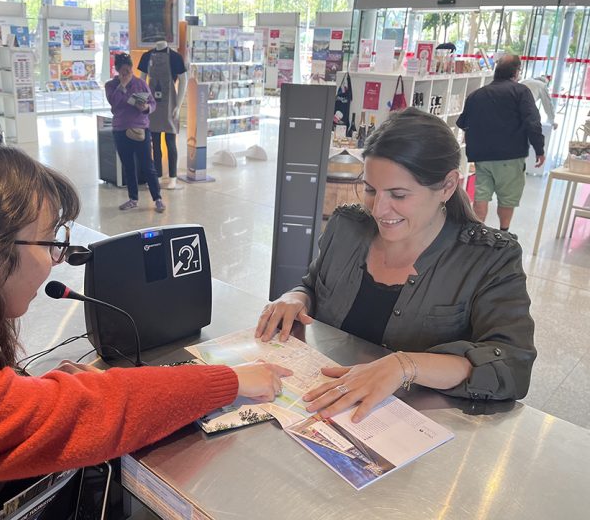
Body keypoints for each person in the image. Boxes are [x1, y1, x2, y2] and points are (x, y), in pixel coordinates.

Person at [0, 134, 290, 520]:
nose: (55, 261)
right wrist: (227, 379)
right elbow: (90, 413)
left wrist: (27, 395)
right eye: (50, 242)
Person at [255, 108, 536, 424]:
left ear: (446, 187)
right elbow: (313, 284)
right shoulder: (347, 227)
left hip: (412, 428)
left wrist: (404, 365)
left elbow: (512, 366)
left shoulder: (490, 258)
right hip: (321, 411)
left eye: (399, 195)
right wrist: (295, 298)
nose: (379, 209)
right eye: (371, 190)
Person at [456, 54, 544, 231]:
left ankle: (477, 233)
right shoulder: (520, 92)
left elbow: (463, 123)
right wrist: (539, 149)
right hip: (509, 156)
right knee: (507, 198)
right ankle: (503, 232)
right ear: (517, 71)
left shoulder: (477, 95)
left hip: (481, 156)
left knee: (481, 195)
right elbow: (532, 121)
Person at [105, 52, 165, 213]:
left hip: (141, 129)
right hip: (120, 129)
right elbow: (114, 104)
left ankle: (157, 198)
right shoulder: (111, 86)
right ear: (117, 70)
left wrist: (145, 107)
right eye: (123, 72)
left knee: (147, 165)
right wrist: (122, 87)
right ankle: (133, 199)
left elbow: (152, 104)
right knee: (128, 166)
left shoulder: (140, 84)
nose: (126, 74)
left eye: (129, 71)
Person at [138, 39, 188, 189]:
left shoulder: (175, 57)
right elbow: (142, 81)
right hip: (152, 104)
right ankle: (158, 175)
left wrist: (178, 106)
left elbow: (183, 81)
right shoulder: (147, 56)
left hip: (169, 104)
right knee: (155, 143)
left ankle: (173, 177)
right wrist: (142, 103)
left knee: (170, 142)